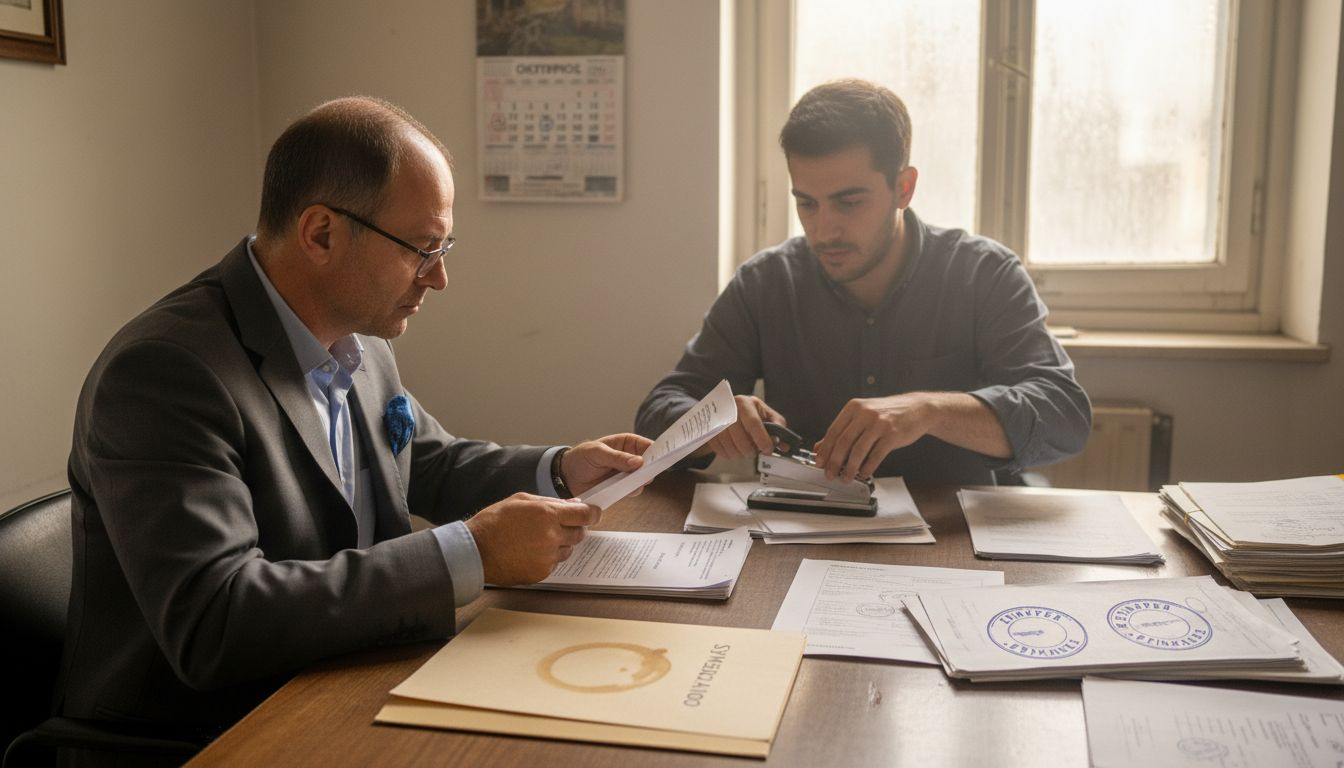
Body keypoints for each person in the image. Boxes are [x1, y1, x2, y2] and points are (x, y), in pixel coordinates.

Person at [59, 96, 650, 750]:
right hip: (209, 736)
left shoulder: (358, 343)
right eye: (422, 248)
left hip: (345, 683)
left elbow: (426, 462)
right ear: (320, 233)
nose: (441, 278)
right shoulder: (165, 374)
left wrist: (562, 467)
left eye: (444, 246)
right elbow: (216, 620)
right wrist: (472, 552)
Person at [636, 79, 1090, 486]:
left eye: (848, 202)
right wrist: (712, 421)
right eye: (807, 203)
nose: (823, 229)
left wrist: (927, 410)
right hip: (802, 538)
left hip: (955, 539)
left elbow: (1064, 417)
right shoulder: (767, 282)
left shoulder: (983, 274)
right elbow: (657, 413)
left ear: (904, 188)